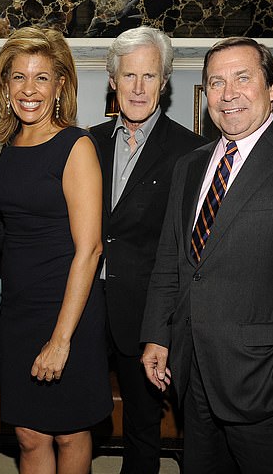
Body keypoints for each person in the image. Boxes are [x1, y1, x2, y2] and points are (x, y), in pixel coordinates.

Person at [140, 36, 273, 474]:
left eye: (242, 78)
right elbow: (172, 263)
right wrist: (158, 336)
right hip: (194, 379)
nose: (228, 93)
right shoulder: (190, 166)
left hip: (271, 387)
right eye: (216, 82)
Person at [0, 26, 112, 474]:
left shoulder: (75, 146)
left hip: (68, 308)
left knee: (69, 430)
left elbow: (91, 249)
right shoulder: (10, 144)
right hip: (20, 310)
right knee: (27, 434)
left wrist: (61, 341)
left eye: (42, 77)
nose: (29, 89)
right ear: (4, 85)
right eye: (18, 76)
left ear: (61, 84)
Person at [89, 26, 206, 474]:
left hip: (147, 318)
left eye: (150, 76)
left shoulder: (192, 152)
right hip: (85, 310)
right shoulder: (86, 143)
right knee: (74, 417)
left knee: (142, 429)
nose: (138, 88)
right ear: (113, 80)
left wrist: (167, 325)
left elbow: (190, 252)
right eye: (129, 75)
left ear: (165, 82)